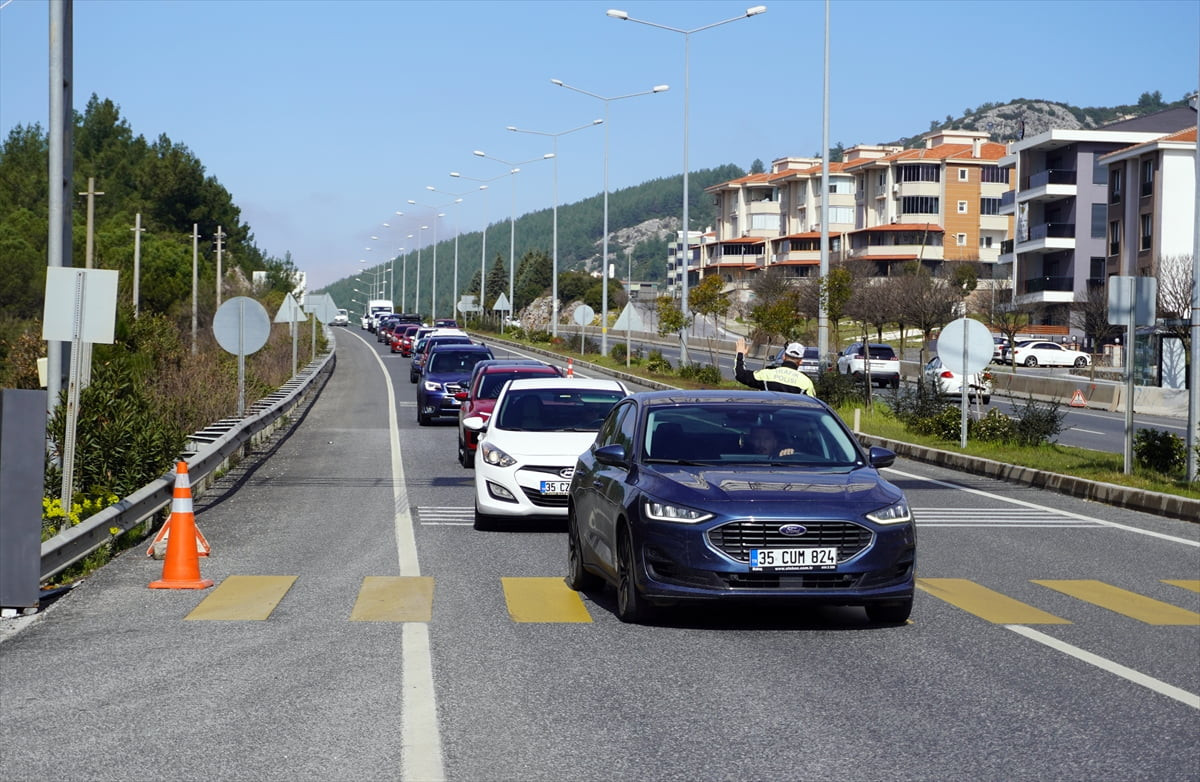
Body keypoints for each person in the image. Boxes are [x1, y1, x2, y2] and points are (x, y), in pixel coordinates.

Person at [734, 337, 816, 395]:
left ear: (783, 357)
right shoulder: (806, 383)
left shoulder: (766, 374)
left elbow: (740, 374)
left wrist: (740, 354)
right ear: (801, 362)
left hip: (768, 415)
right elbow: (812, 406)